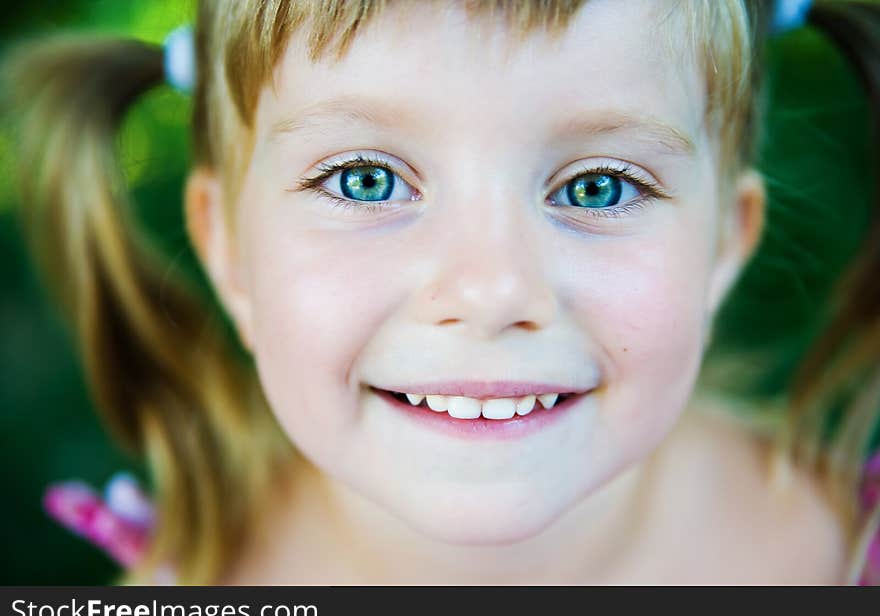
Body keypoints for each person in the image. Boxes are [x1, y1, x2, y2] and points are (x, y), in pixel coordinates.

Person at [5, 0, 880, 585]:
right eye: (363, 180)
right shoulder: (200, 581)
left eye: (597, 188)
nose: (492, 290)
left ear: (724, 244)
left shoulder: (844, 561)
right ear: (228, 248)